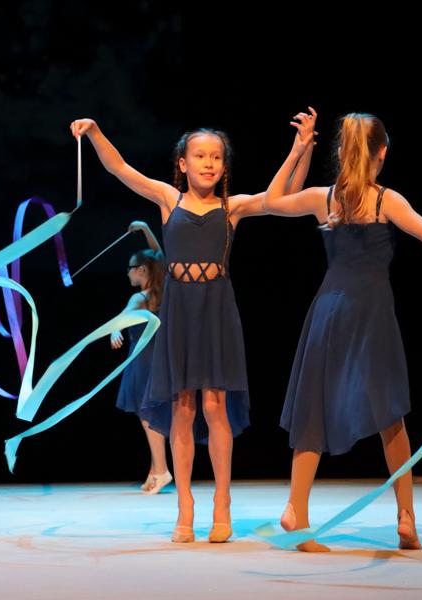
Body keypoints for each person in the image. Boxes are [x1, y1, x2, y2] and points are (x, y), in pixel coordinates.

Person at [263, 109, 422, 551]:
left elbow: (272, 200)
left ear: (341, 151)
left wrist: (299, 148)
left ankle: (295, 510)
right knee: (390, 412)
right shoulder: (385, 201)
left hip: (328, 310)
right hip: (371, 313)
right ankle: (406, 518)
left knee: (315, 406)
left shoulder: (324, 199)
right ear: (382, 152)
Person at [70, 116, 313, 543]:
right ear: (182, 163)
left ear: (224, 165)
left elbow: (283, 197)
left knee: (215, 406)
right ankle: (185, 507)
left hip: (216, 309)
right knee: (183, 408)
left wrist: (300, 148)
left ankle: (222, 503)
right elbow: (120, 168)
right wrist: (94, 133)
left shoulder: (232, 207)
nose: (208, 163)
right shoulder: (169, 199)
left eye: (216, 157)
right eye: (200, 156)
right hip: (180, 310)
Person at [111, 221, 173, 495]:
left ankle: (162, 470)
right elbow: (159, 256)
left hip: (143, 362)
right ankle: (154, 470)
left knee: (148, 415)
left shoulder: (139, 298)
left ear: (142, 270)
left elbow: (120, 318)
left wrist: (115, 330)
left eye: (130, 268)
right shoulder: (163, 292)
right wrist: (146, 228)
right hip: (159, 361)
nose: (128, 272)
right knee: (151, 414)